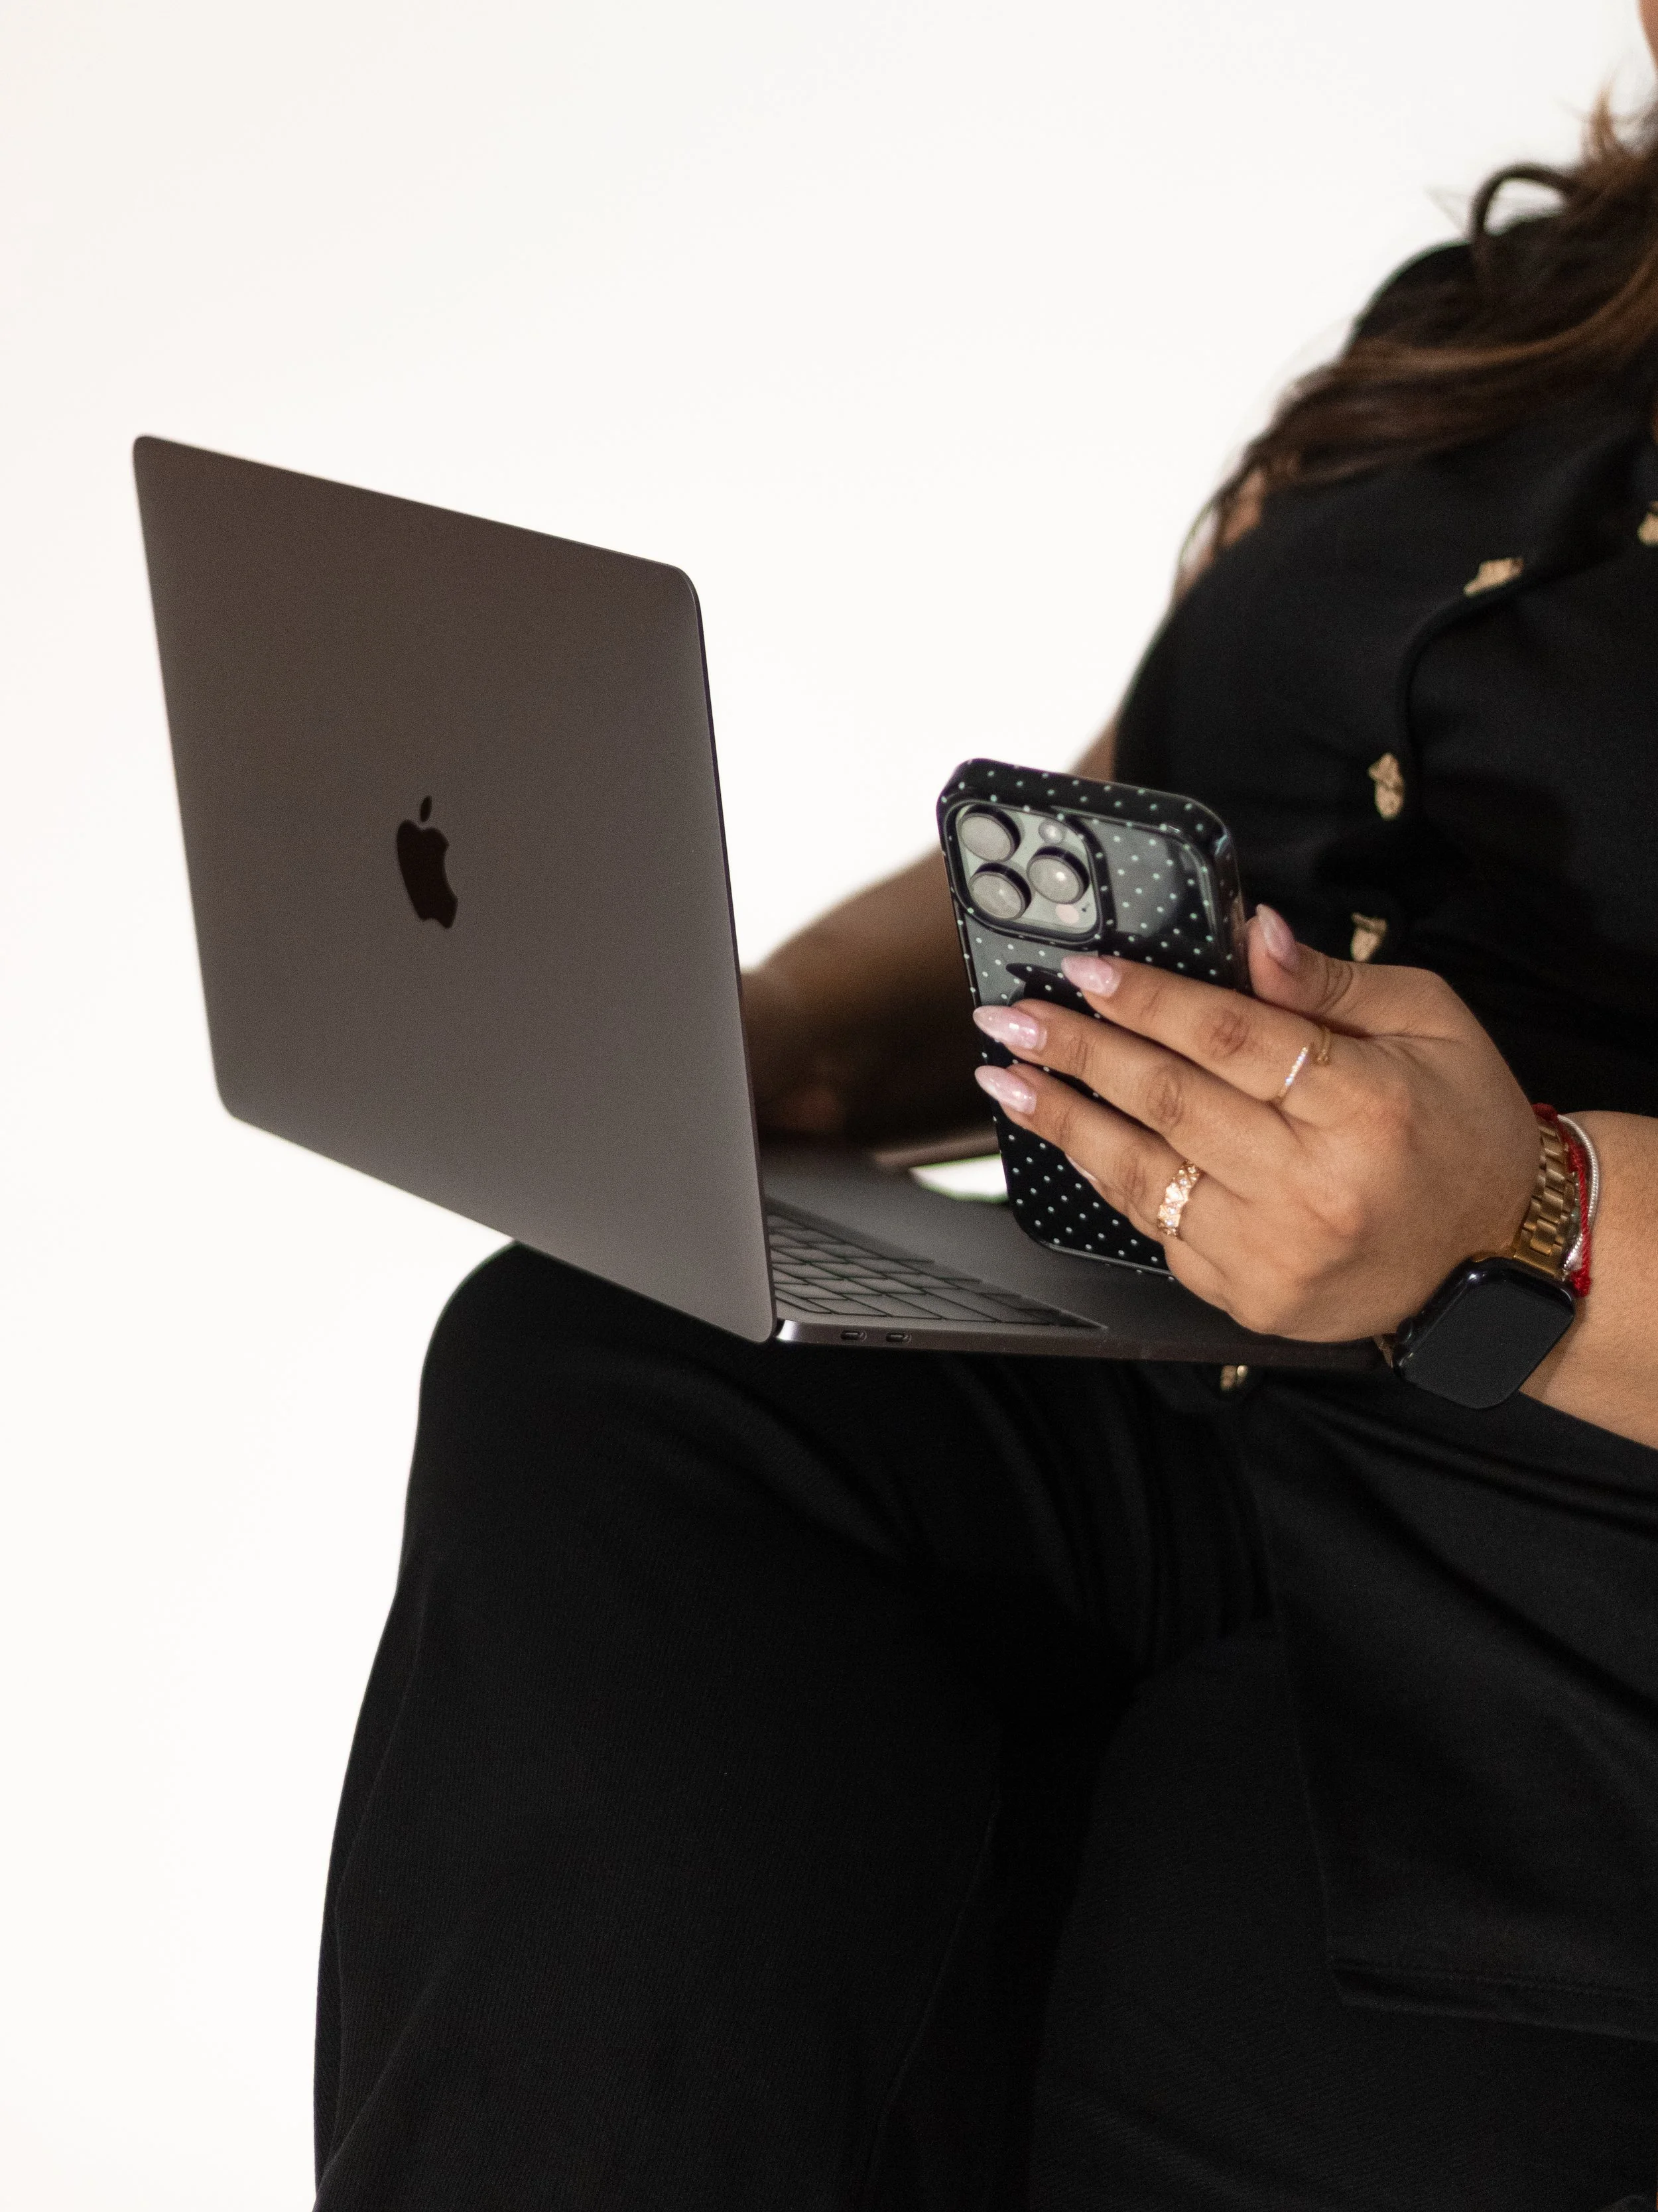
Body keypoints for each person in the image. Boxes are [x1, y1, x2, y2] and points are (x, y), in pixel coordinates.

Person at [311, 21, 1658, 2211]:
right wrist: (768, 1041)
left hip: (1582, 1559)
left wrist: (1516, 1216)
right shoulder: (1488, 344)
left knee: (1208, 1949)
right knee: (610, 1368)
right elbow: (1114, 846)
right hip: (1192, 1375)